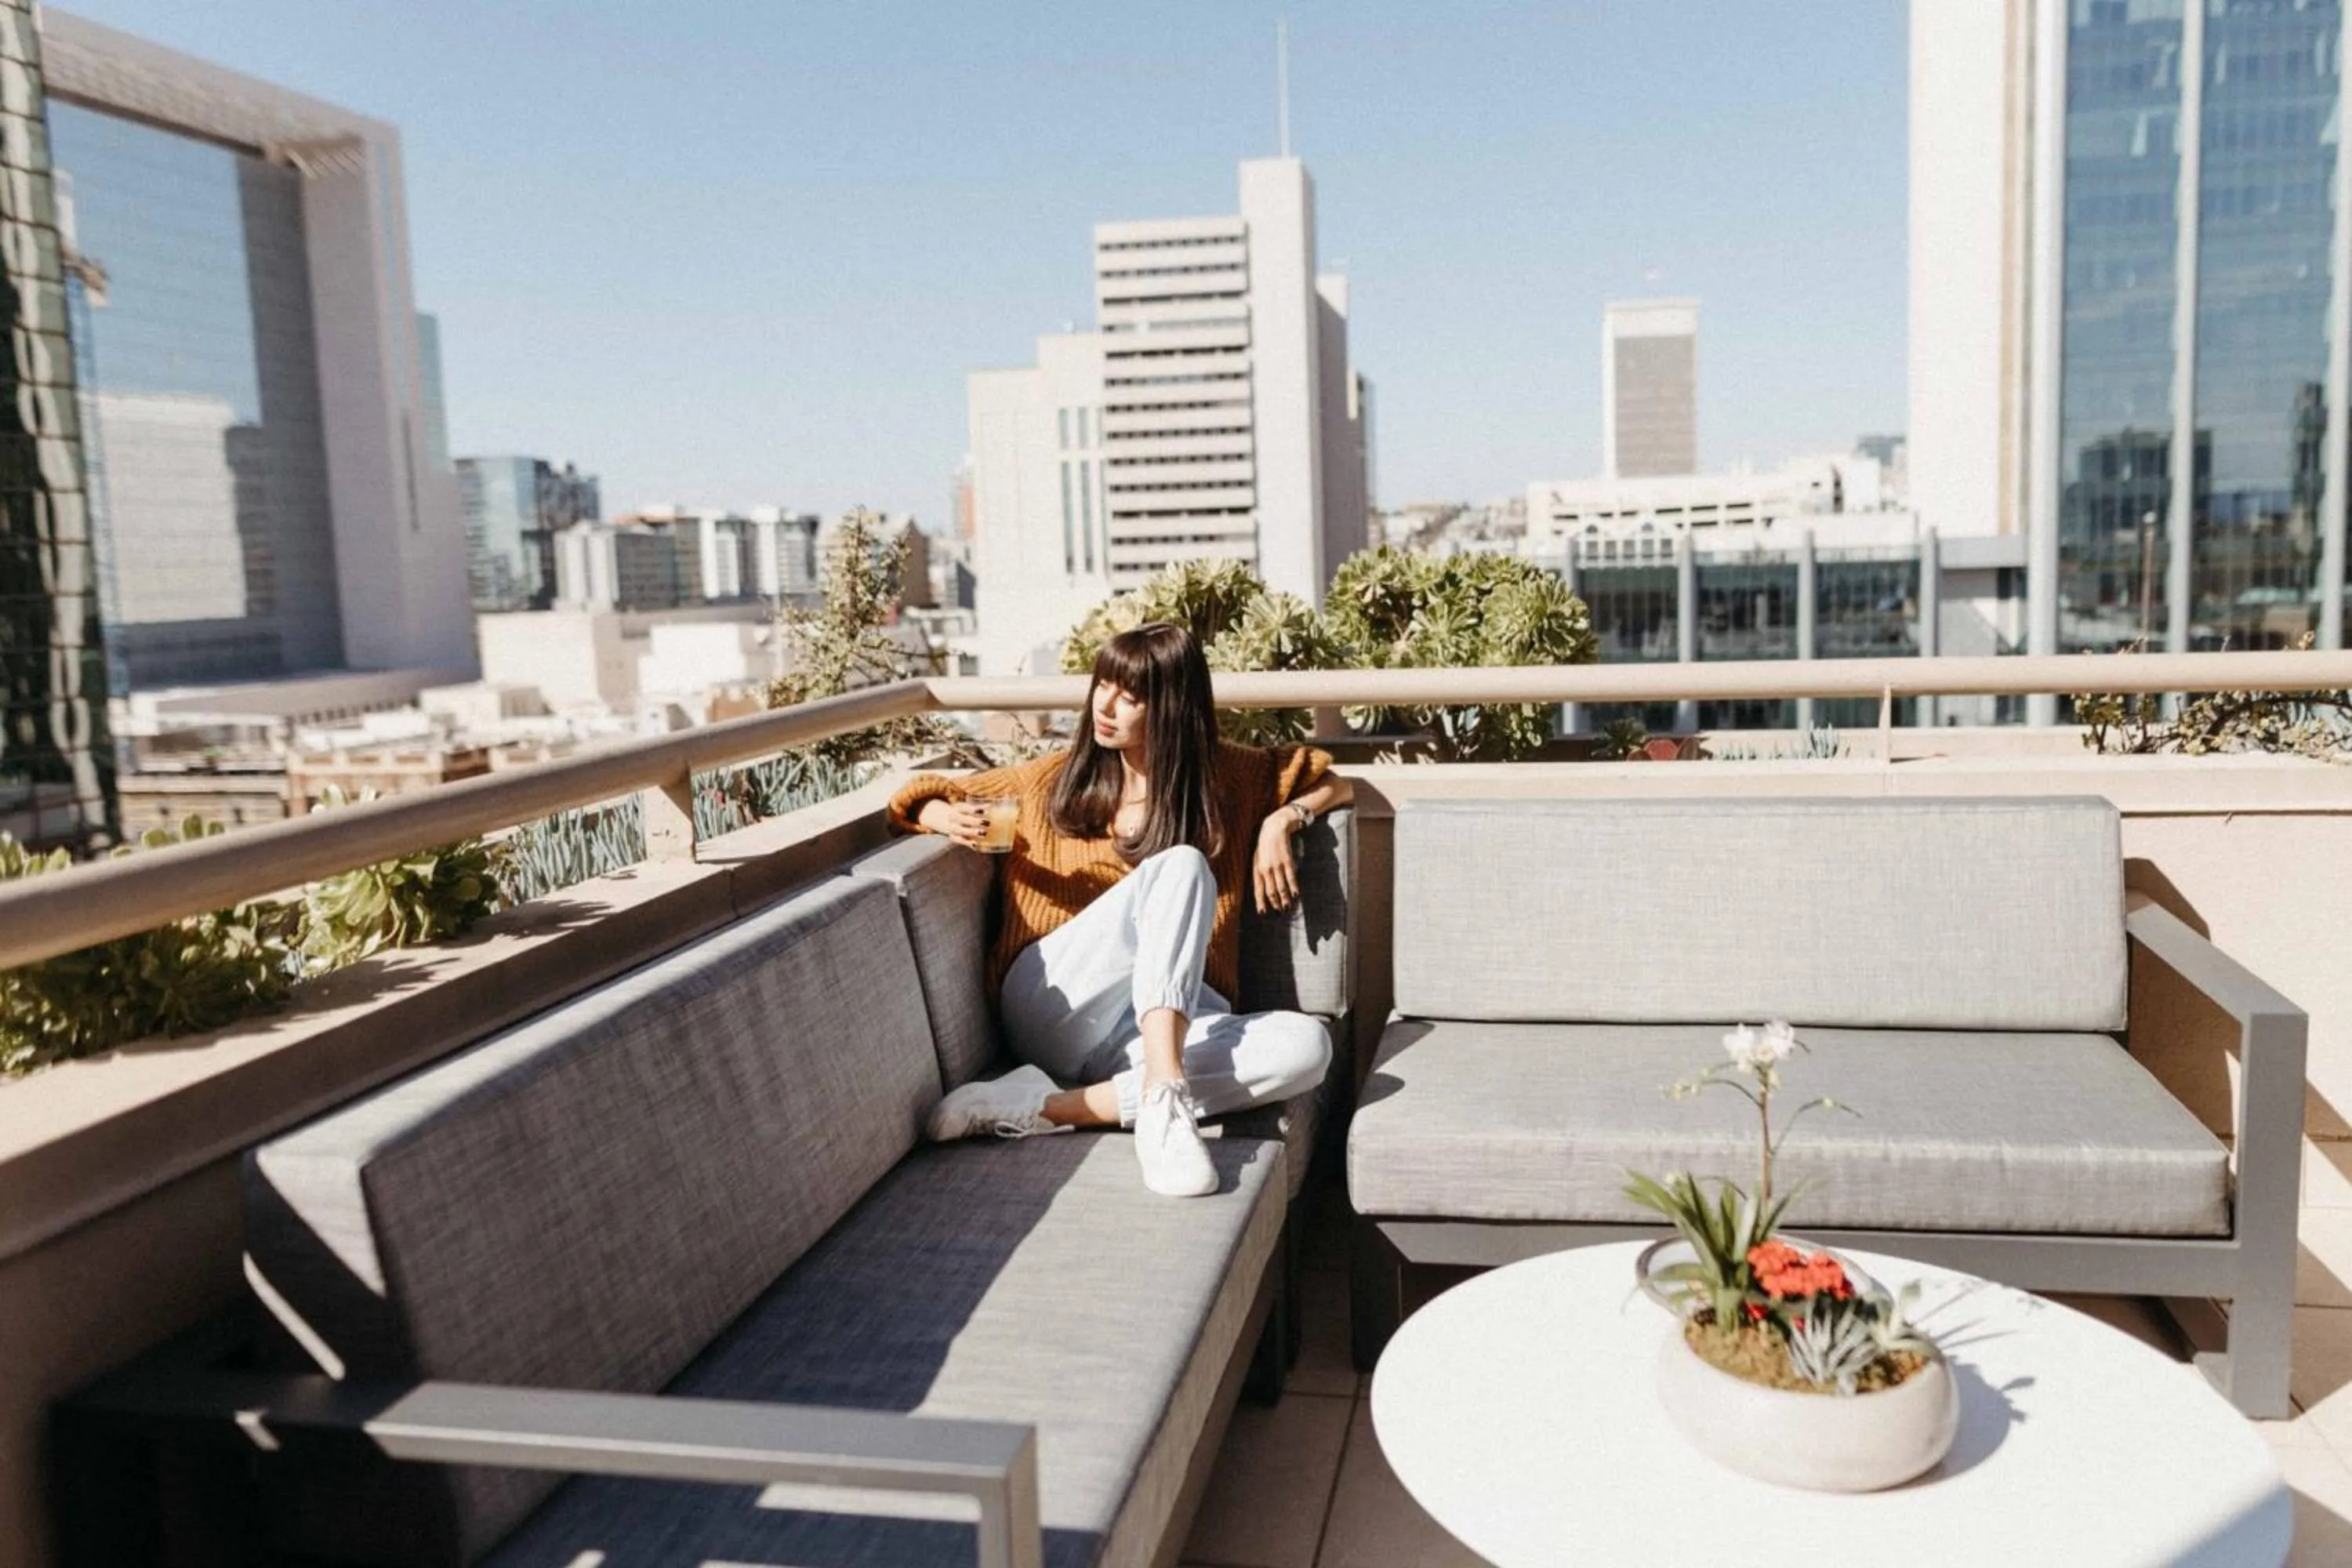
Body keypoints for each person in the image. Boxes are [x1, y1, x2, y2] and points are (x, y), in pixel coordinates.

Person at [888, 622, 1350, 1197]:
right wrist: (936, 814)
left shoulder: (1227, 780)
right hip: (1056, 1001)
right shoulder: (1050, 781)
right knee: (1182, 865)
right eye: (1103, 684)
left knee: (1307, 1049)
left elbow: (1329, 778)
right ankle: (1164, 1098)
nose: (1105, 705)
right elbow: (919, 792)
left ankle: (1053, 1107)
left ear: (1172, 709)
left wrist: (1285, 820)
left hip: (1149, 1028)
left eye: (1130, 695)